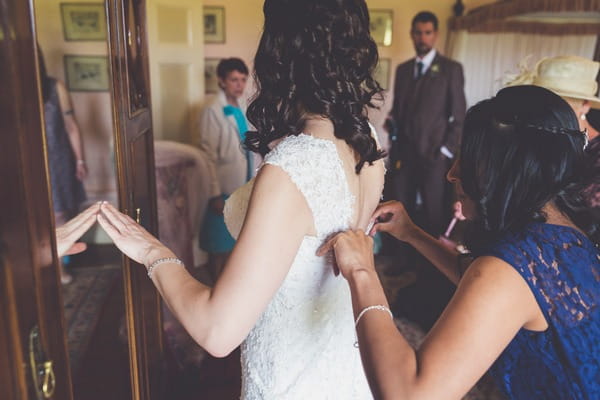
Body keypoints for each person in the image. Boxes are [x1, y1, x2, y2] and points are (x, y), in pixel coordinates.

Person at [98, 0, 385, 398]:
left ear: (281, 48)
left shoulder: (295, 167)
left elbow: (217, 330)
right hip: (342, 358)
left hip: (291, 376)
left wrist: (152, 251)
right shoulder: (365, 137)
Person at [320, 86, 600, 399]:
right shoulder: (564, 234)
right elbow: (484, 285)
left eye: (469, 160)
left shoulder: (509, 270)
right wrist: (412, 233)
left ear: (509, 169)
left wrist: (362, 272)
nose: (452, 174)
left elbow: (408, 394)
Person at [385, 11, 466, 238]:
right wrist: (392, 123)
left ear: (435, 35)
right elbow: (399, 110)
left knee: (433, 214)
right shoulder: (403, 70)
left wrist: (444, 151)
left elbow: (459, 116)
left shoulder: (451, 70)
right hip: (404, 156)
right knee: (401, 211)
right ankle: (401, 263)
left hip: (435, 159)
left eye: (427, 33)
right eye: (418, 33)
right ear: (412, 34)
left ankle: (429, 269)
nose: (422, 38)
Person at [505, 55, 600, 216]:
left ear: (585, 105)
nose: (550, 111)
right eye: (542, 102)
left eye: (561, 103)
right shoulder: (534, 140)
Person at [197, 57, 252, 279]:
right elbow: (207, 155)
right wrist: (215, 193)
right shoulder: (212, 110)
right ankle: (214, 284)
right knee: (218, 239)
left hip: (244, 176)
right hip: (223, 182)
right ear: (221, 81)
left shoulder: (244, 105)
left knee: (235, 237)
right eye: (233, 80)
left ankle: (228, 283)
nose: (239, 85)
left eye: (242, 80)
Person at [39, 49, 88, 284]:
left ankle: (59, 268)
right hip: (22, 164)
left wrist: (80, 160)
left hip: (56, 161)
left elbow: (71, 126)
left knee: (59, 215)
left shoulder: (55, 87)